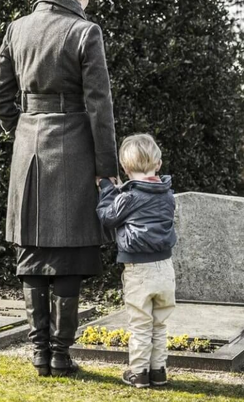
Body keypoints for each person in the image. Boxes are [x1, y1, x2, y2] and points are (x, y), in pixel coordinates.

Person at [0, 0, 118, 377]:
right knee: (69, 253)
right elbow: (99, 107)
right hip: (75, 150)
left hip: (28, 150)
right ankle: (61, 355)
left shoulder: (17, 28)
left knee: (32, 249)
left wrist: (25, 126)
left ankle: (40, 354)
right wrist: (107, 168)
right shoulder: (85, 31)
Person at [96, 134, 177, 388]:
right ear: (158, 164)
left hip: (139, 269)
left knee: (140, 323)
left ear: (125, 167)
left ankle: (139, 372)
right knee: (159, 323)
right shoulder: (167, 195)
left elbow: (108, 216)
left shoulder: (129, 197)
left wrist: (107, 189)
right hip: (165, 268)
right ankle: (158, 371)